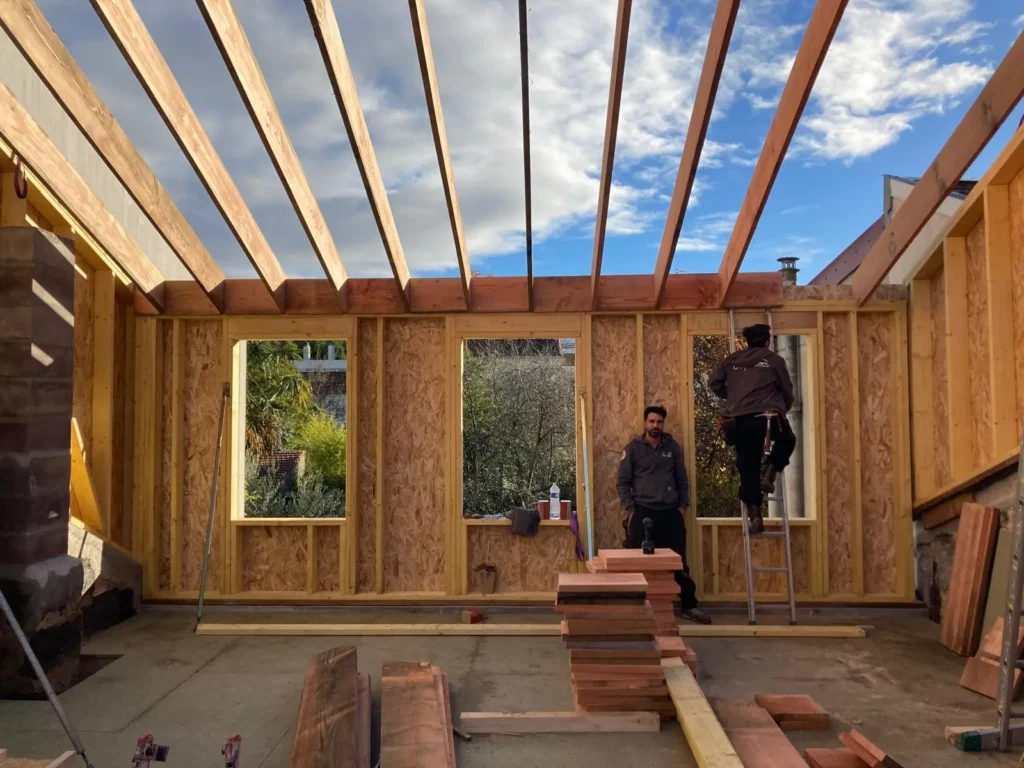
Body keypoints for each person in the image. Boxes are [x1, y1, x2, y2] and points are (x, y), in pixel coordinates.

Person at [617, 405, 710, 625]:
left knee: (678, 562)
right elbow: (622, 482)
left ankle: (689, 605)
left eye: (659, 422)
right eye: (651, 421)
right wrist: (630, 510)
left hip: (670, 513)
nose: (655, 426)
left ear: (663, 424)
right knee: (634, 561)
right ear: (644, 423)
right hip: (642, 511)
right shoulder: (633, 449)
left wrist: (682, 508)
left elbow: (682, 481)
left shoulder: (672, 447)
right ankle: (632, 607)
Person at [709, 323, 796, 535]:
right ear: (767, 340)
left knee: (748, 466)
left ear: (747, 341)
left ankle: (755, 515)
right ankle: (770, 472)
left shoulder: (732, 360)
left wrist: (733, 396)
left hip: (740, 422)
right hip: (767, 418)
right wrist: (783, 407)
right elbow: (787, 390)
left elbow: (714, 382)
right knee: (787, 439)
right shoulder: (774, 360)